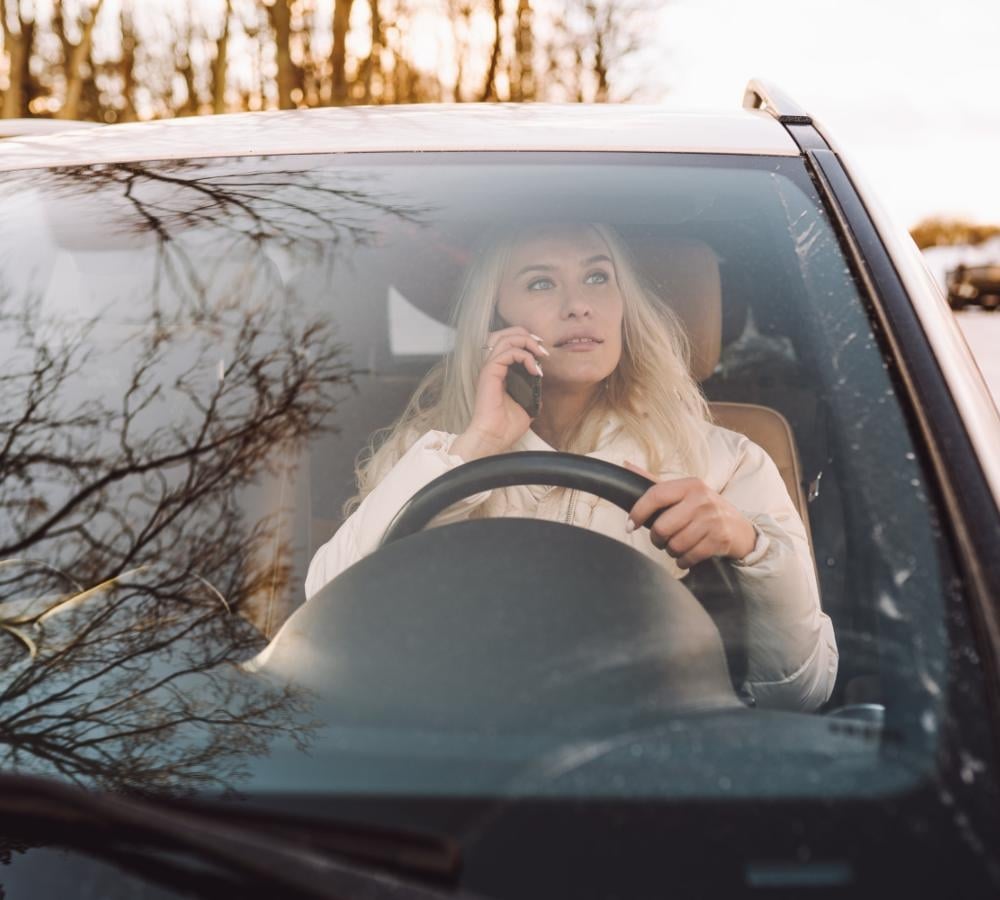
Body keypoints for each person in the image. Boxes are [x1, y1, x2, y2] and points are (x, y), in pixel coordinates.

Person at [305, 224, 838, 712]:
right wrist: (480, 442)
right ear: (495, 321)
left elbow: (798, 691)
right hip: (459, 754)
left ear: (624, 304)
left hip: (651, 760)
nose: (579, 304)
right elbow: (326, 607)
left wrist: (749, 546)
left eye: (598, 276)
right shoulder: (434, 449)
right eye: (541, 284)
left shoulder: (726, 461)